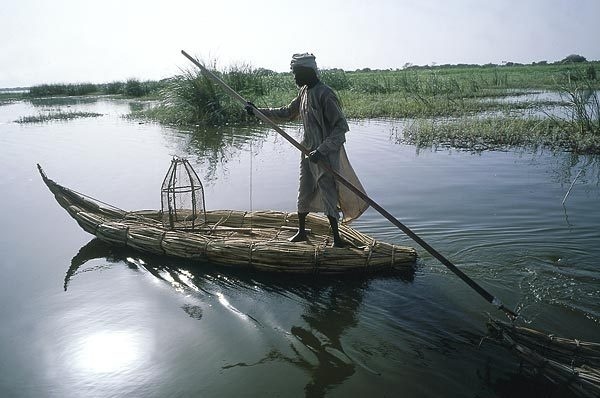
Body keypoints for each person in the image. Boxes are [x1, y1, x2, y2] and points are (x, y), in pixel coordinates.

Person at [246, 53, 368, 247]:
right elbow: (287, 112)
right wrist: (258, 111)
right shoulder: (304, 92)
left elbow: (340, 128)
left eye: (296, 73)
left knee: (328, 193)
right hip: (307, 152)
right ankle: (301, 232)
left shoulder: (325, 94)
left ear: (307, 72)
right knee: (304, 190)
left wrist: (321, 150)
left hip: (324, 155)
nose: (294, 78)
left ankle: (337, 239)